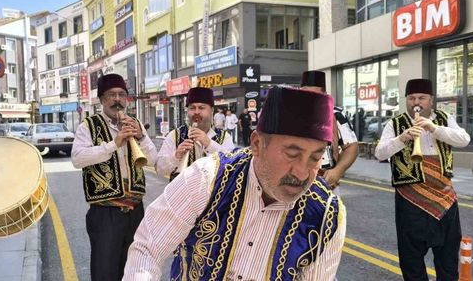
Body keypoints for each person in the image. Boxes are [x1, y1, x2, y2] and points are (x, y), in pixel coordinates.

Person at [124, 86, 346, 280]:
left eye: (315, 158)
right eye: (291, 153)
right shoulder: (206, 179)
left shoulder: (326, 213)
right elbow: (149, 249)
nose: (301, 172)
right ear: (257, 145)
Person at [375, 79, 470, 281]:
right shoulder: (395, 123)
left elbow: (464, 139)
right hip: (409, 200)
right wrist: (402, 138)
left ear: (431, 100)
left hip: (445, 199)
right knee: (411, 260)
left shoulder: (445, 118)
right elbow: (380, 154)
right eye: (411, 98)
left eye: (421, 98)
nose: (416, 102)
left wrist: (434, 128)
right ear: (406, 100)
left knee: (448, 259)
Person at [71, 73, 158, 281]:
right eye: (111, 95)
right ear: (102, 100)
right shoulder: (88, 126)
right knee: (105, 273)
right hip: (105, 214)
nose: (117, 99)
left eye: (121, 95)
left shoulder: (134, 124)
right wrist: (113, 144)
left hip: (136, 212)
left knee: (134, 271)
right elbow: (77, 159)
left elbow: (154, 160)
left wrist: (141, 136)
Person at [155, 87, 235, 180]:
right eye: (192, 108)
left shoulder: (224, 137)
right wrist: (176, 156)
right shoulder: (175, 135)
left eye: (201, 108)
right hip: (182, 193)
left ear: (212, 110)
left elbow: (232, 166)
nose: (196, 112)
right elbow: (159, 170)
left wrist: (209, 144)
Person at [301, 70, 358, 190]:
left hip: (326, 182)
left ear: (324, 95)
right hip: (297, 180)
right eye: (306, 94)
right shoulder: (289, 116)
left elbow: (351, 147)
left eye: (315, 95)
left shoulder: (336, 115)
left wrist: (338, 170)